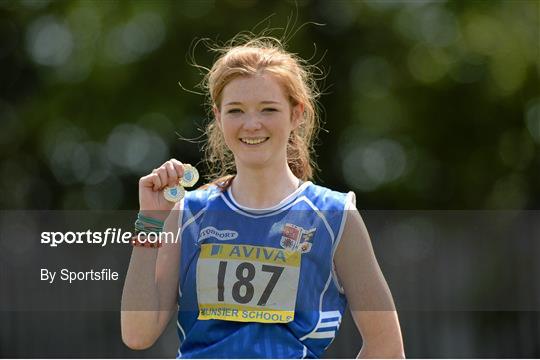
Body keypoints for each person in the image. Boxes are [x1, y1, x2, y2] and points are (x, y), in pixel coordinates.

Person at [121, 35, 404, 359]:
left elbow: (387, 349)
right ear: (218, 115)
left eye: (268, 109)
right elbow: (137, 334)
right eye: (236, 110)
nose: (251, 124)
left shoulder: (335, 215)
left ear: (296, 113)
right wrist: (151, 222)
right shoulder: (189, 213)